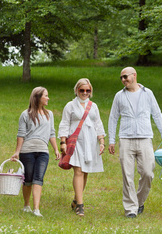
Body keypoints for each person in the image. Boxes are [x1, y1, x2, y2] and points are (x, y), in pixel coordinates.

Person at [108, 67, 162, 218]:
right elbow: (113, 118)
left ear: (134, 76)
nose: (123, 80)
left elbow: (157, 114)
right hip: (126, 139)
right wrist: (111, 140)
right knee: (127, 175)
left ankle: (139, 201)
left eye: (125, 77)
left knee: (148, 173)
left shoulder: (147, 93)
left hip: (144, 138)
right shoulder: (119, 96)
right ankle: (131, 209)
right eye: (121, 78)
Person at [58, 78, 106, 217]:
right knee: (78, 171)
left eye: (87, 90)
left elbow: (98, 123)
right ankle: (80, 206)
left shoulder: (93, 106)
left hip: (91, 142)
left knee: (85, 172)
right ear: (76, 90)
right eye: (82, 90)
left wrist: (101, 141)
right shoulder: (70, 106)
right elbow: (64, 123)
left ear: (90, 91)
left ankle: (75, 199)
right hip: (76, 142)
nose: (85, 93)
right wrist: (63, 141)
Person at [11, 87, 60, 217]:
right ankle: (26, 205)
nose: (48, 98)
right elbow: (21, 135)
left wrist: (56, 149)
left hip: (43, 151)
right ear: (38, 97)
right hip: (27, 151)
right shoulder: (25, 114)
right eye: (46, 96)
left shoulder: (49, 114)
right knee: (28, 179)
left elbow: (52, 133)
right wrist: (17, 152)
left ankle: (36, 209)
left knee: (38, 178)